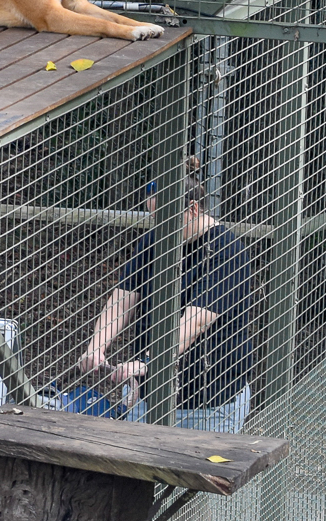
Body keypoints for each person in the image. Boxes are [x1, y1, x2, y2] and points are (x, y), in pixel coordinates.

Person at [79, 168, 254, 432]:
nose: (157, 226)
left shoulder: (226, 250)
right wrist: (97, 346)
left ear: (193, 209)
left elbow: (195, 322)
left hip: (209, 402)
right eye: (153, 217)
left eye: (163, 218)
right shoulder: (153, 241)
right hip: (149, 396)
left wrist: (148, 362)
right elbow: (123, 299)